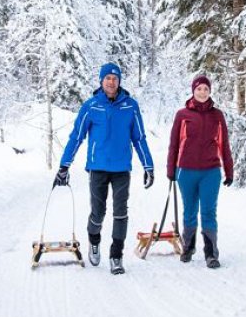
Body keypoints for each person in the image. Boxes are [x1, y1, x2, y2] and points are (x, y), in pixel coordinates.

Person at [54, 62, 155, 275]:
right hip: (98, 167)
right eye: (107, 78)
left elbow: (139, 138)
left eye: (115, 78)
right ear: (101, 81)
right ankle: (94, 240)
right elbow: (76, 136)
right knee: (98, 213)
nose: (111, 82)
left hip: (121, 169)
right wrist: (64, 165)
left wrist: (148, 166)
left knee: (121, 212)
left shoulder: (130, 106)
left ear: (119, 82)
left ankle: (116, 256)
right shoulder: (91, 106)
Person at [166, 75, 233, 269]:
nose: (202, 92)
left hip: (210, 172)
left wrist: (229, 171)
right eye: (199, 89)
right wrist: (171, 170)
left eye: (205, 89)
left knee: (208, 212)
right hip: (186, 171)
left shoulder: (217, 116)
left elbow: (224, 145)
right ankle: (188, 247)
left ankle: (211, 253)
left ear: (210, 91)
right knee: (189, 211)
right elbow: (174, 145)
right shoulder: (182, 115)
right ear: (193, 91)